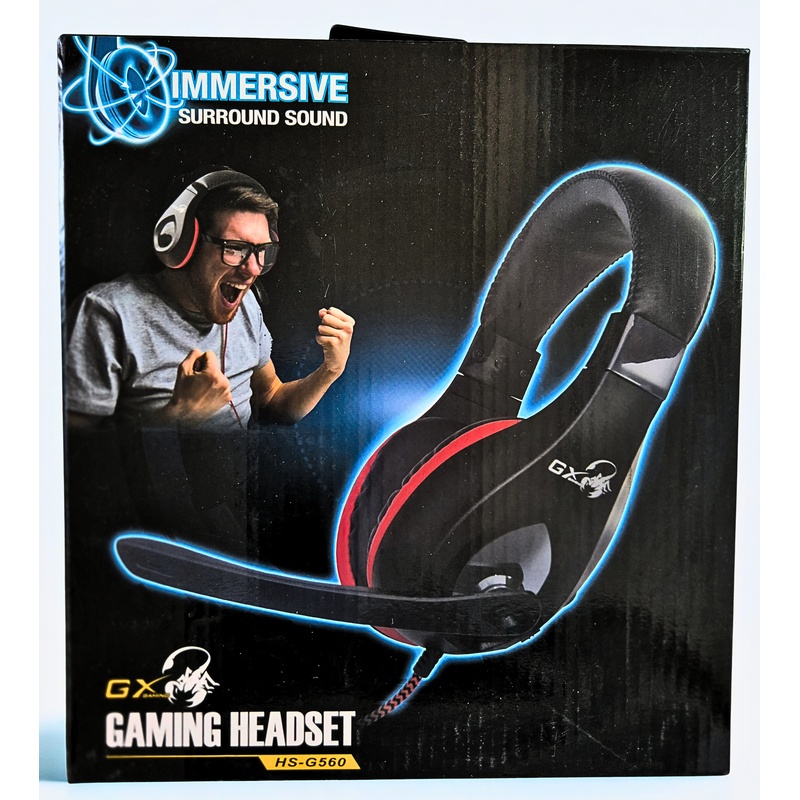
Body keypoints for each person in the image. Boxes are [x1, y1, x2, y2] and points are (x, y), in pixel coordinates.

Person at [66, 169, 355, 431]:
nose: (253, 269)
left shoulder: (246, 305)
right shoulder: (108, 313)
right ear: (184, 244)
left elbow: (271, 400)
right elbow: (74, 455)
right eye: (235, 248)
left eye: (262, 251)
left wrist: (329, 371)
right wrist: (179, 417)